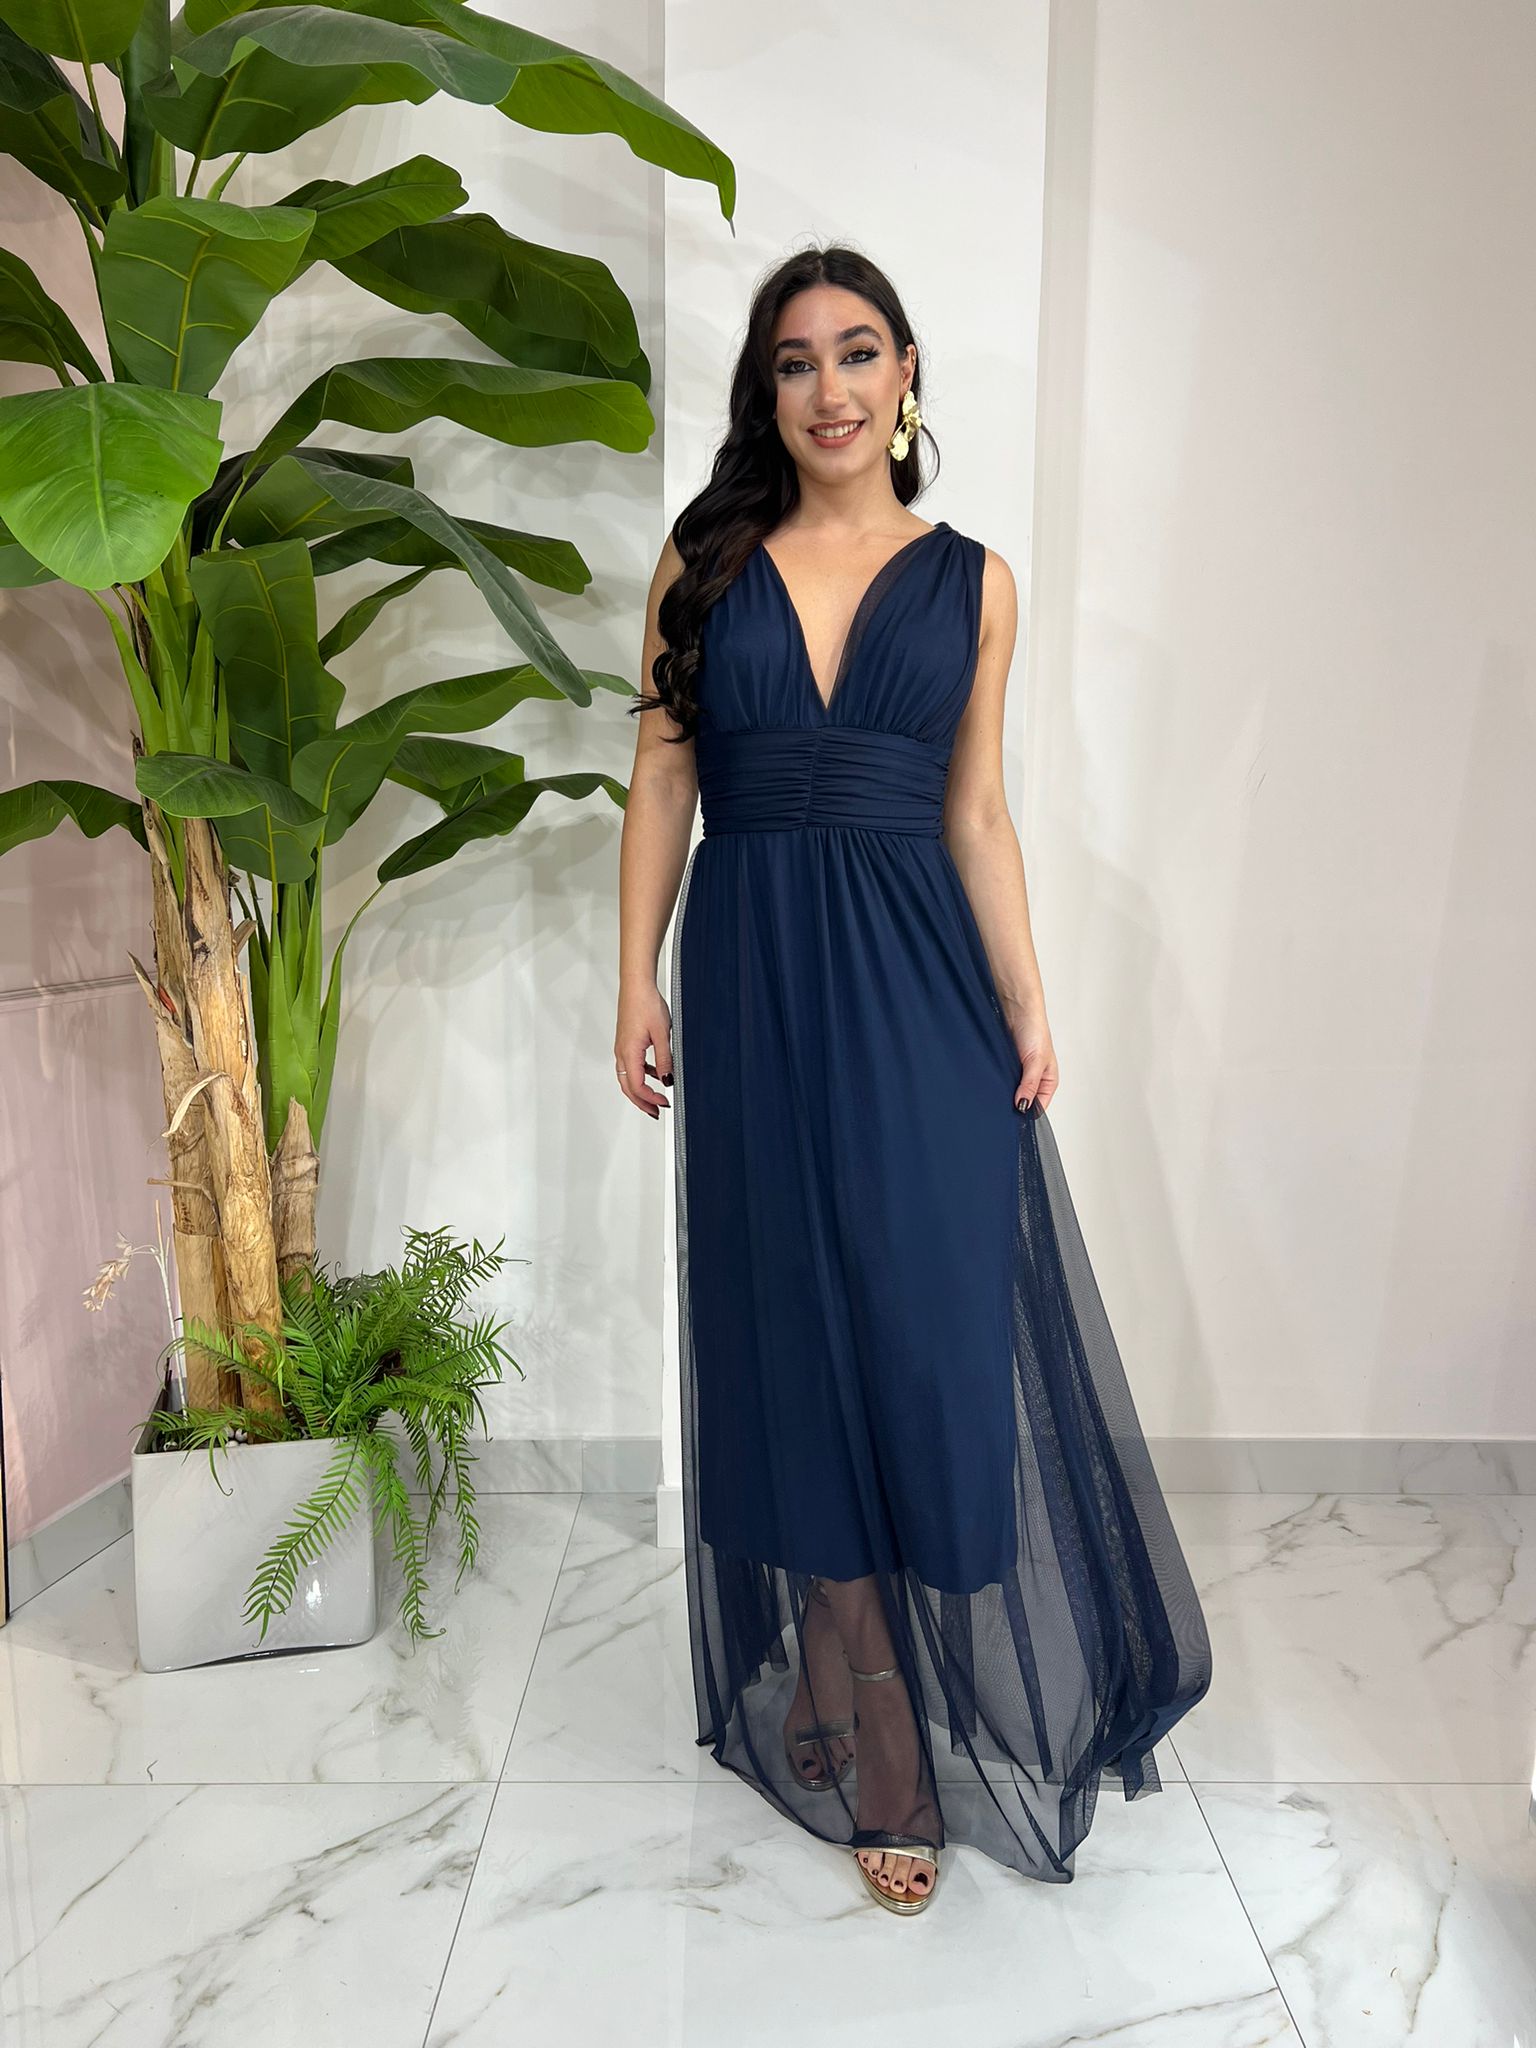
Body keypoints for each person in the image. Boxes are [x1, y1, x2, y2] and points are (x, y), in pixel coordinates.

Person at [613, 243, 1212, 1915]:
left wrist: (1026, 999)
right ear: (768, 390)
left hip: (919, 982)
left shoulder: (975, 584)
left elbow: (977, 811)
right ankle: (872, 1706)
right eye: (796, 361)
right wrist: (633, 974)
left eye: (858, 352)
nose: (830, 389)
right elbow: (661, 775)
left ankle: (850, 1654)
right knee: (788, 1328)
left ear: (907, 372)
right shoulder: (705, 563)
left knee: (925, 1331)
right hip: (752, 972)